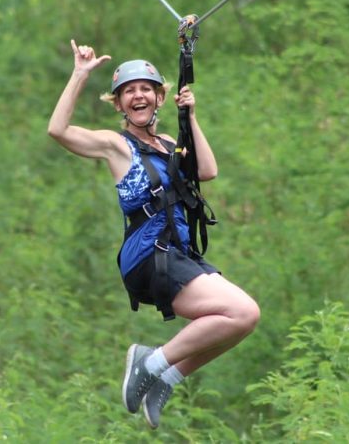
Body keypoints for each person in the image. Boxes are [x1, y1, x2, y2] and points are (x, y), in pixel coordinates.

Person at [48, 40, 260, 429]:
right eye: (129, 91)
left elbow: (208, 170)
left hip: (177, 254)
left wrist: (190, 116)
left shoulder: (169, 145)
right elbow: (58, 130)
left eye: (146, 88)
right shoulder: (117, 146)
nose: (138, 94)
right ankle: (151, 361)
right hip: (148, 255)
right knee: (241, 310)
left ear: (159, 97)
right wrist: (80, 74)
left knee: (241, 321)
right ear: (119, 104)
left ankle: (165, 377)